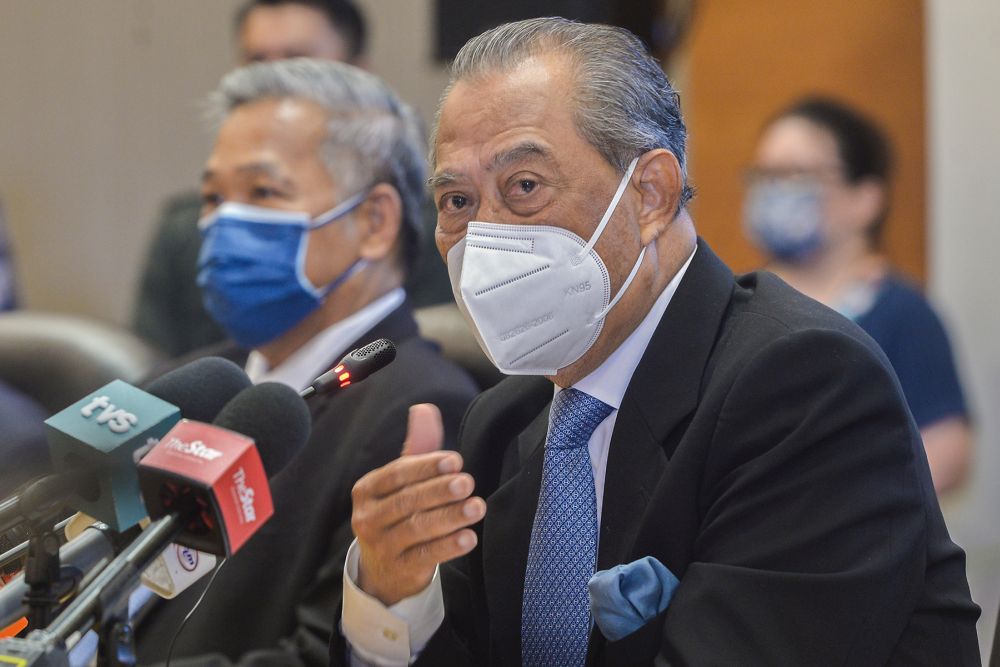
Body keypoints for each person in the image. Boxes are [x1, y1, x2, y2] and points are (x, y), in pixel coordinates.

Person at [334, 17, 980, 666]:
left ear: (650, 193)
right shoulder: (503, 422)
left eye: (524, 186)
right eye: (455, 200)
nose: (484, 236)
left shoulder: (804, 383)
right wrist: (396, 597)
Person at [133, 59, 478, 666]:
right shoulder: (193, 384)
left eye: (263, 192)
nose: (219, 222)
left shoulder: (418, 411)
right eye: (213, 196)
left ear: (374, 222)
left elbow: (329, 656)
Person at [131, 0, 451, 358]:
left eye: (298, 62)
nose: (275, 81)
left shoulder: (430, 233)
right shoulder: (186, 229)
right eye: (256, 62)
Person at [743, 97, 972, 495]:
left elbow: (947, 453)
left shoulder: (903, 314)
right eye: (765, 174)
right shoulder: (737, 303)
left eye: (797, 174)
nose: (775, 191)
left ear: (865, 198)